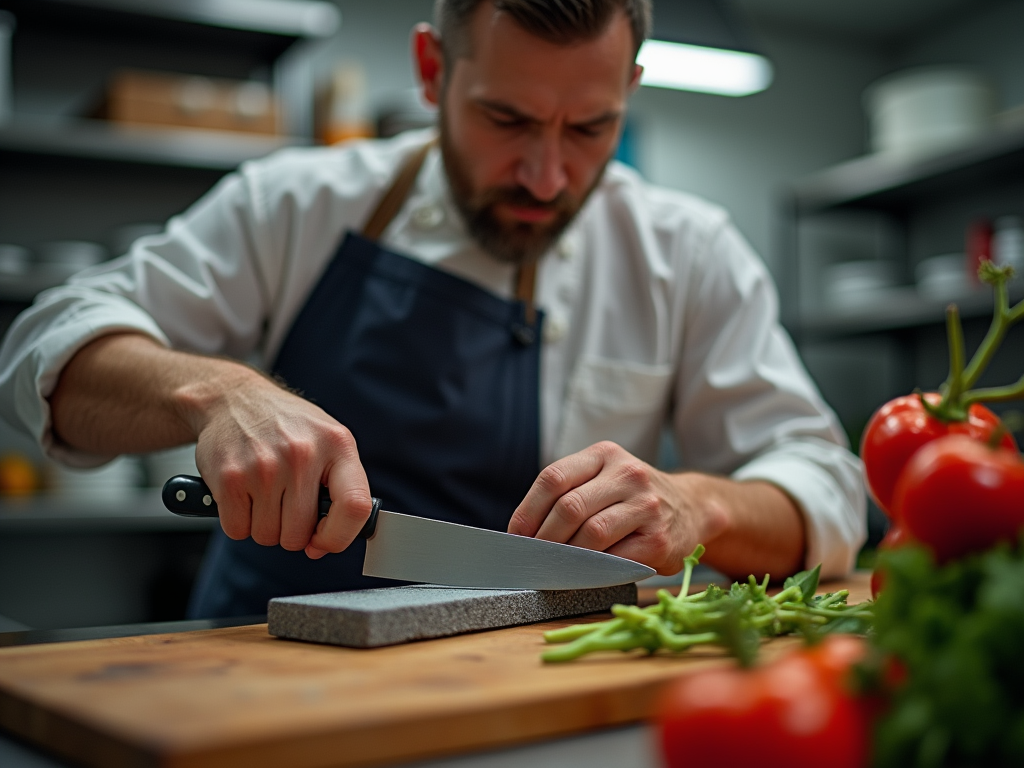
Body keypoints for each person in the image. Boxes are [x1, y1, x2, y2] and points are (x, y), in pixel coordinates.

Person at [0, 0, 865, 618]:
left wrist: (700, 504)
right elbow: (45, 342)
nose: (546, 176)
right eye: (506, 118)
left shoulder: (686, 250)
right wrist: (217, 394)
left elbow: (826, 485)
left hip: (523, 698)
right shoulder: (297, 204)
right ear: (430, 70)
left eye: (589, 128)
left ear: (631, 87)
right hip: (260, 679)